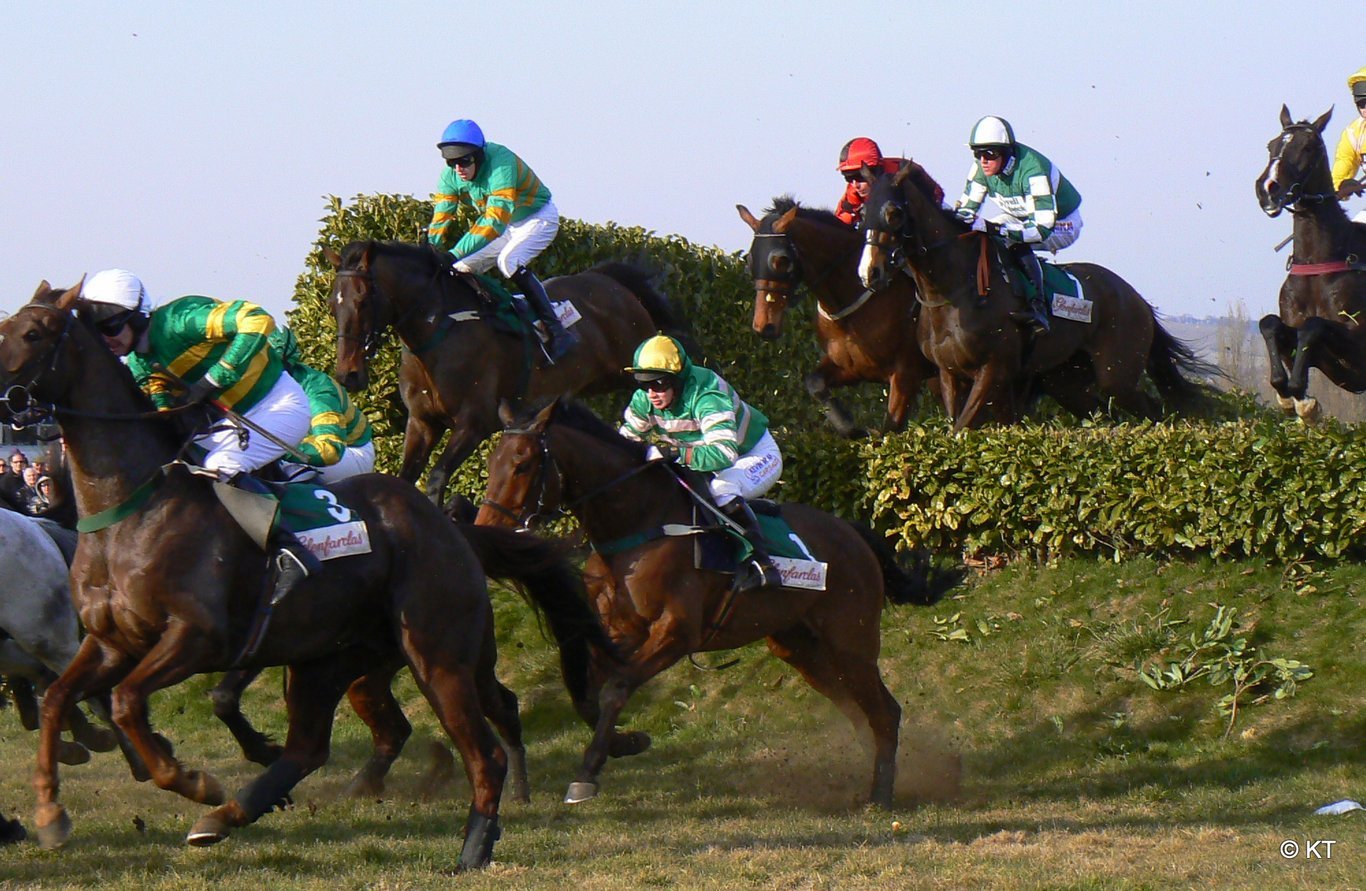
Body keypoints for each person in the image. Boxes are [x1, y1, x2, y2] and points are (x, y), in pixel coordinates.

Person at [82, 268, 320, 603]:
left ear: (136, 317)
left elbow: (256, 319)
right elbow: (158, 392)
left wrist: (214, 379)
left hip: (277, 406)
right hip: (231, 425)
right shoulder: (138, 361)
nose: (107, 338)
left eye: (110, 326)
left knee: (221, 465)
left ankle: (292, 552)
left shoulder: (181, 320)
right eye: (98, 331)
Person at [621, 334, 784, 594]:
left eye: (659, 383)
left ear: (678, 379)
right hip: (711, 459)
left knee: (722, 488)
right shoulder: (645, 400)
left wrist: (675, 453)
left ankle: (762, 565)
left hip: (754, 456)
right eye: (644, 383)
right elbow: (623, 443)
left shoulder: (707, 395)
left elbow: (723, 454)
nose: (652, 393)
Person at [427, 118, 577, 361]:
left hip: (538, 218)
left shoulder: (501, 163)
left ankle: (558, 332)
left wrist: (453, 252)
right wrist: (431, 248)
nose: (458, 168)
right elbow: (443, 213)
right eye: (451, 162)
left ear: (479, 156)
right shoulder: (451, 175)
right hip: (508, 225)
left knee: (509, 262)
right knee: (460, 269)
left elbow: (495, 220)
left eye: (464, 161)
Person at [953, 116, 1084, 335]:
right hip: (1021, 219)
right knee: (985, 236)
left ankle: (1038, 307)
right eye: (977, 153)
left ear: (1006, 152)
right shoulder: (981, 169)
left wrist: (996, 229)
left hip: (1061, 223)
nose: (983, 160)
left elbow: (1041, 229)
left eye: (989, 154)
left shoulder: (1033, 171)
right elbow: (966, 213)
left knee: (1010, 239)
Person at [268, 326, 375, 484]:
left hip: (349, 453)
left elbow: (329, 449)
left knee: (279, 463)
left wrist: (275, 450)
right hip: (308, 446)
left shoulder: (317, 389)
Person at [1332, 65, 1366, 223]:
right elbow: (1343, 165)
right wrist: (1342, 185)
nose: (1365, 109)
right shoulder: (1353, 133)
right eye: (1361, 104)